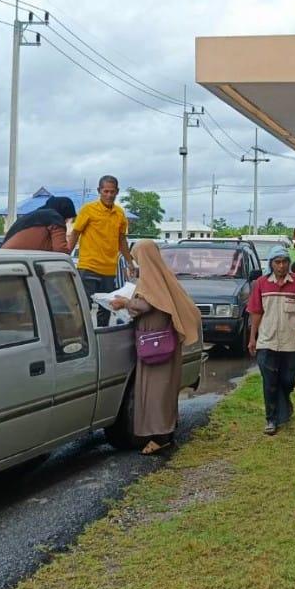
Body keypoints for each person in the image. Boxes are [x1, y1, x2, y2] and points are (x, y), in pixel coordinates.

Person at [110, 241, 202, 454]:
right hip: (160, 344)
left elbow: (146, 304)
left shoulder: (150, 279)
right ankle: (163, 432)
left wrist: (125, 303)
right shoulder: (159, 276)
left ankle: (161, 438)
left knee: (156, 392)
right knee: (162, 390)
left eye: (136, 257)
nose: (136, 262)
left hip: (157, 346)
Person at [247, 244, 295, 434]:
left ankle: (284, 403)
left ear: (288, 263)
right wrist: (252, 338)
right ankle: (271, 419)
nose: (281, 266)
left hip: (291, 340)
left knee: (288, 379)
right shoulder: (261, 283)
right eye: (277, 262)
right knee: (269, 381)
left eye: (284, 262)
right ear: (271, 264)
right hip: (267, 340)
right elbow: (256, 312)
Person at [68, 175, 135, 327]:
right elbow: (75, 233)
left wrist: (130, 262)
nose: (109, 195)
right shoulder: (88, 210)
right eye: (106, 191)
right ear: (99, 191)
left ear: (117, 192)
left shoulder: (120, 214)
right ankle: (83, 335)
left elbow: (122, 241)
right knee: (84, 305)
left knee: (106, 307)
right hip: (88, 266)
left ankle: (102, 335)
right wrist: (65, 256)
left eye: (112, 192)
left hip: (109, 270)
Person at [1, 195, 76, 252]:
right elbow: (61, 251)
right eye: (67, 218)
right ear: (64, 213)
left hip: (6, 257)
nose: (66, 222)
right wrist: (76, 235)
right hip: (17, 260)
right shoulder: (54, 217)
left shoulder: (31, 216)